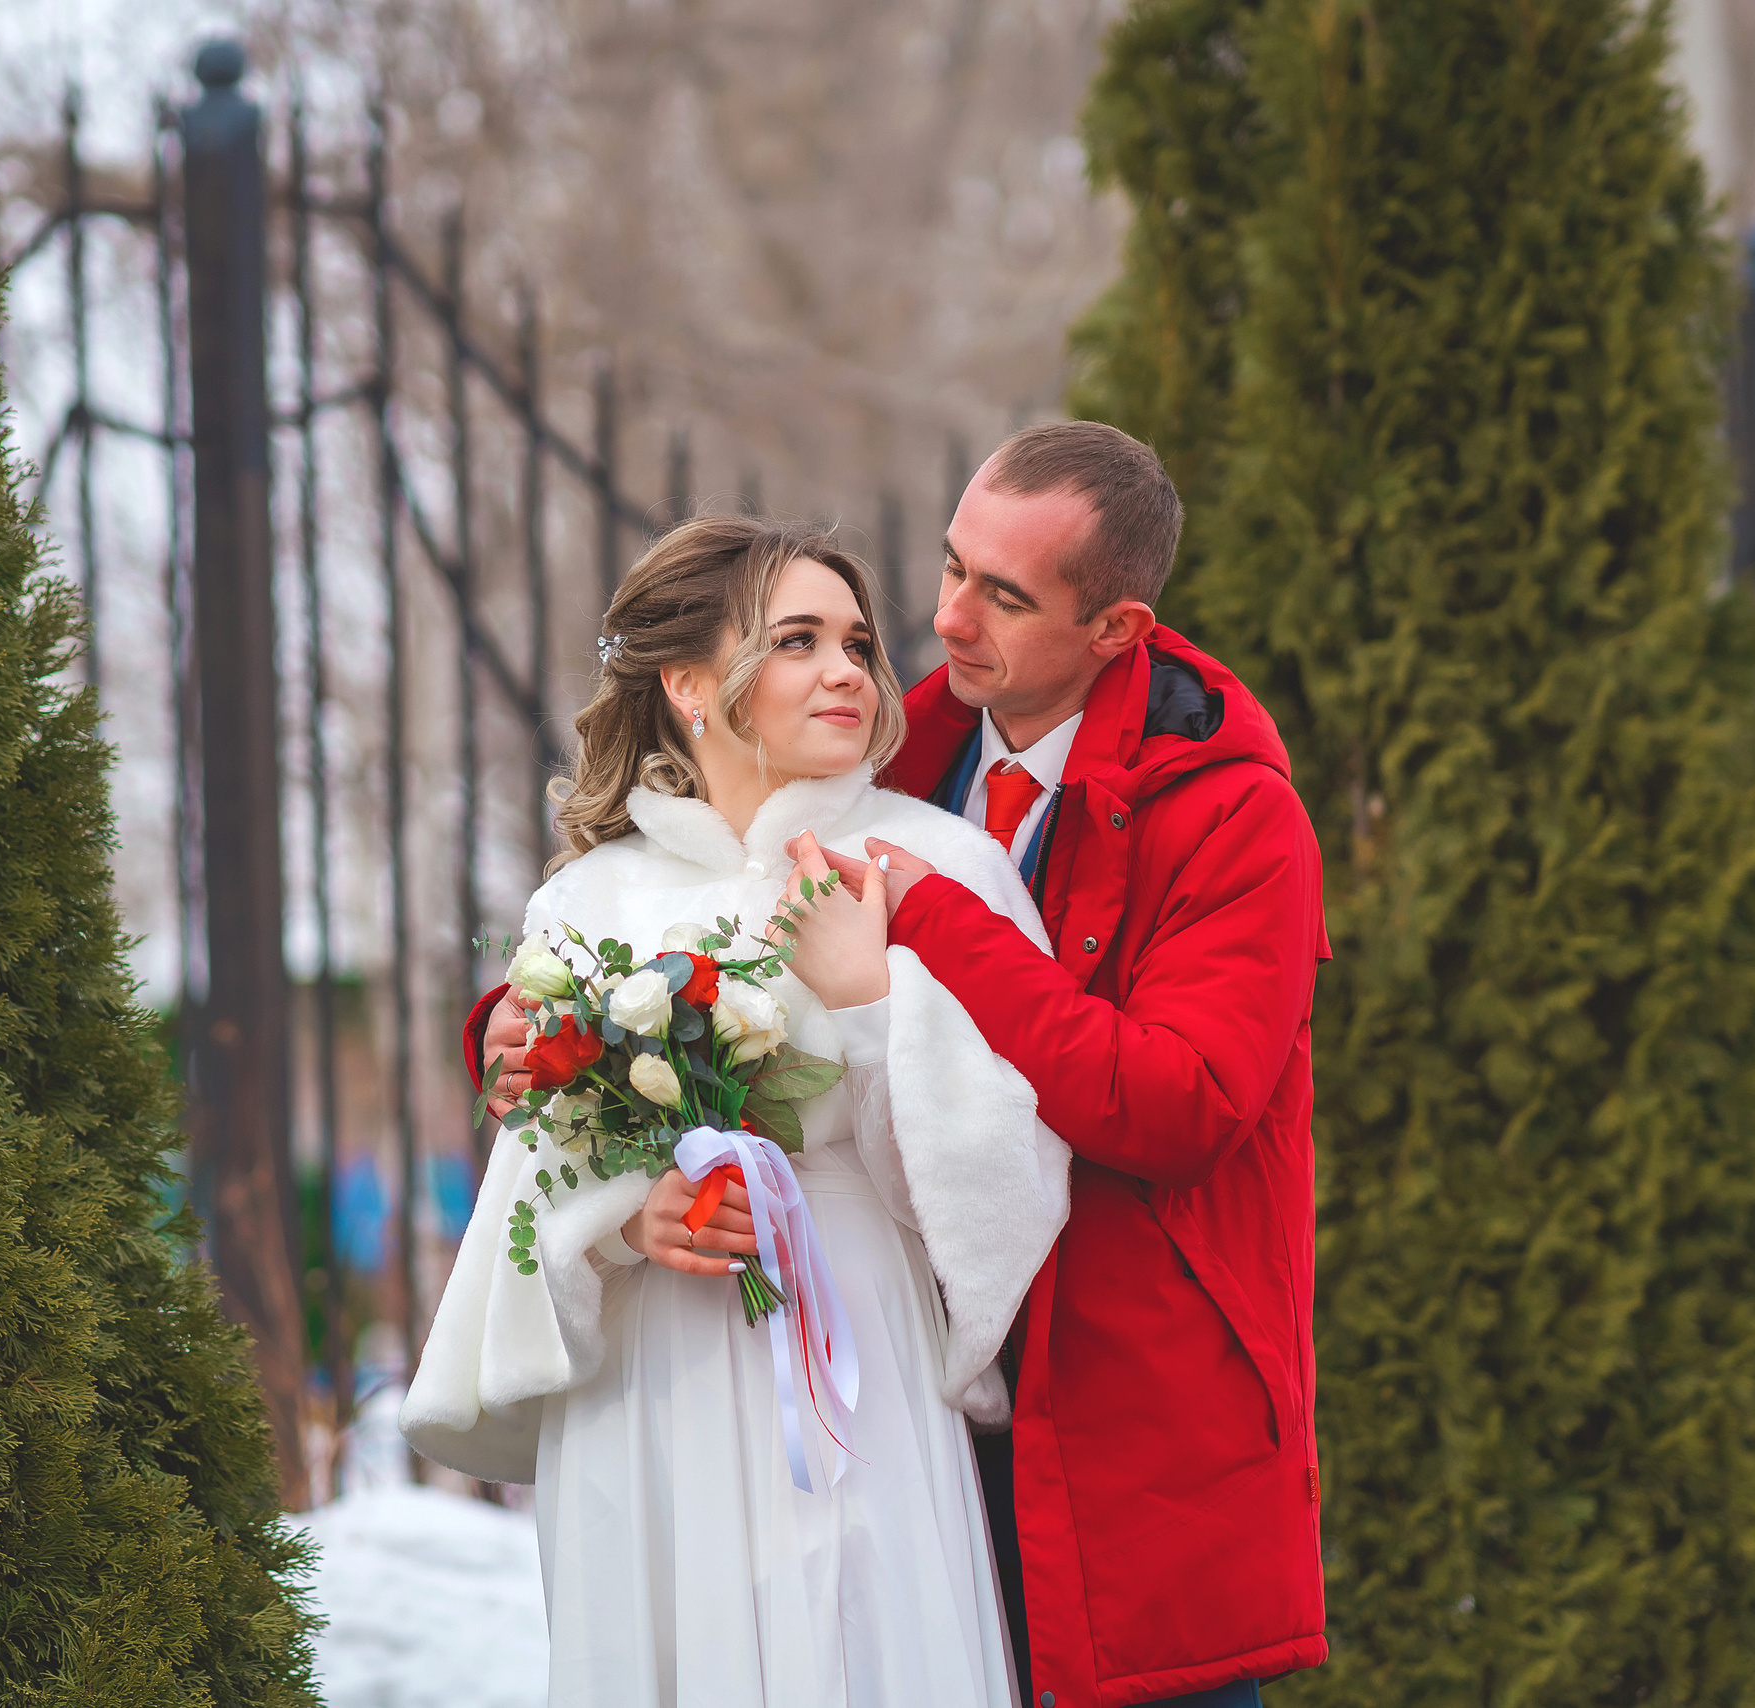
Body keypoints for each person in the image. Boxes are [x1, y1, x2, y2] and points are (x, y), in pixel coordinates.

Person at [479, 423, 1330, 1708]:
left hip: (1127, 1411)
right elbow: (705, 879)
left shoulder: (1228, 814)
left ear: (1117, 628)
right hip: (902, 1400)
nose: (942, 621)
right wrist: (538, 1020)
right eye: (947, 569)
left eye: (1004, 594)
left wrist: (929, 931)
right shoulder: (904, 747)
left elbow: (1177, 1106)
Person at [404, 515, 1071, 1708]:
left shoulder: (942, 863)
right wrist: (627, 1217)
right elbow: (533, 1180)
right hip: (649, 1377)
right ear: (690, 682)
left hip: (854, 1337)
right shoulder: (587, 901)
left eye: (858, 644)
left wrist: (869, 1001)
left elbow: (1011, 1173)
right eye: (799, 639)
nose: (848, 672)